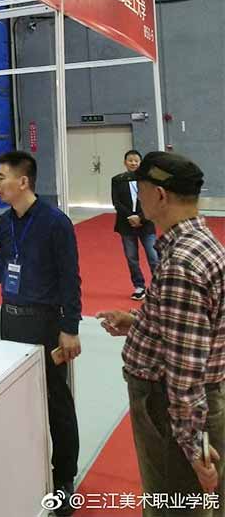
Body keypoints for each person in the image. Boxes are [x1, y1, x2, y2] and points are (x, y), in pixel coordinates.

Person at [97, 152, 225, 517]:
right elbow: (194, 328)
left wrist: (193, 448)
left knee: (173, 503)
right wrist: (141, 322)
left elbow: (184, 374)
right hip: (191, 402)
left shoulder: (181, 264)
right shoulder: (200, 244)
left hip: (167, 410)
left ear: (160, 195)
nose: (139, 196)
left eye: (141, 189)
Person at [0, 151, 81, 517]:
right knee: (17, 397)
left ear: (24, 181)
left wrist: (70, 328)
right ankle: (26, 466)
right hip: (11, 319)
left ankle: (64, 478)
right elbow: (5, 260)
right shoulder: (7, 221)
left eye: (1, 177)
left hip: (45, 324)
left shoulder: (55, 223)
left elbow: (70, 279)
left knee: (56, 400)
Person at [111, 149, 159, 300]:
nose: (133, 163)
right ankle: (139, 286)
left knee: (153, 256)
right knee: (131, 258)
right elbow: (116, 202)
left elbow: (153, 200)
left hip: (146, 223)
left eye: (136, 160)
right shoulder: (117, 180)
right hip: (126, 224)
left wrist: (140, 217)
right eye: (130, 160)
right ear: (125, 162)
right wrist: (130, 217)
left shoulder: (149, 180)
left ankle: (159, 287)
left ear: (140, 163)